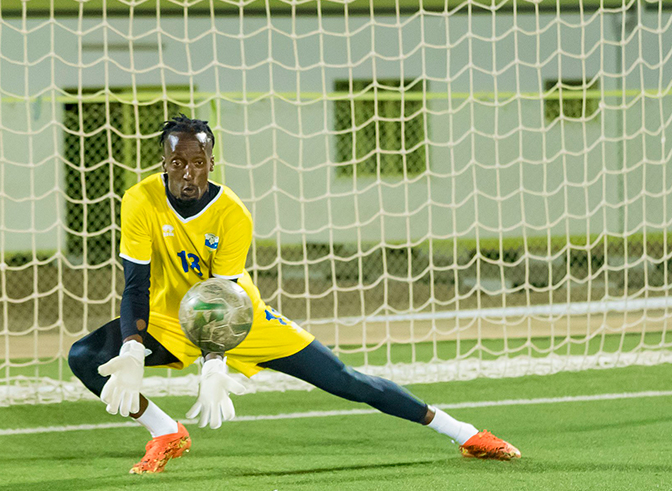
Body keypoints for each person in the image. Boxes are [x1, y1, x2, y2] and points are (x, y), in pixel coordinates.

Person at [67, 115, 521, 475]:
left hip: (241, 318)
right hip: (169, 320)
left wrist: (215, 362)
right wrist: (131, 346)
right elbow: (136, 285)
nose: (189, 172)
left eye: (198, 162)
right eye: (178, 163)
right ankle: (166, 431)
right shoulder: (139, 200)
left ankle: (463, 433)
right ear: (163, 163)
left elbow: (221, 300)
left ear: (211, 161)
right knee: (86, 357)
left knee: (347, 381)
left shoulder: (232, 214)